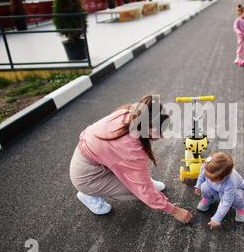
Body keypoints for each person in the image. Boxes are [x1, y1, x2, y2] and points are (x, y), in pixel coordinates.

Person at [70, 95, 193, 224]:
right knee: (136, 191)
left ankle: (142, 182)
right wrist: (175, 211)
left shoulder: (133, 113)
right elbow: (144, 191)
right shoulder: (130, 148)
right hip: (87, 177)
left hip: (99, 162)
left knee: (139, 180)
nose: (161, 136)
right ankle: (89, 195)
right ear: (148, 127)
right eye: (160, 131)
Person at [194, 152, 244, 229]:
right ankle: (208, 199)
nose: (210, 179)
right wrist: (198, 185)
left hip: (234, 190)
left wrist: (216, 219)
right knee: (204, 186)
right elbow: (201, 175)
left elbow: (226, 202)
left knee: (237, 198)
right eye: (208, 177)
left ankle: (241, 208)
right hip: (216, 188)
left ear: (225, 176)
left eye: (213, 179)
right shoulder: (208, 165)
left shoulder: (231, 182)